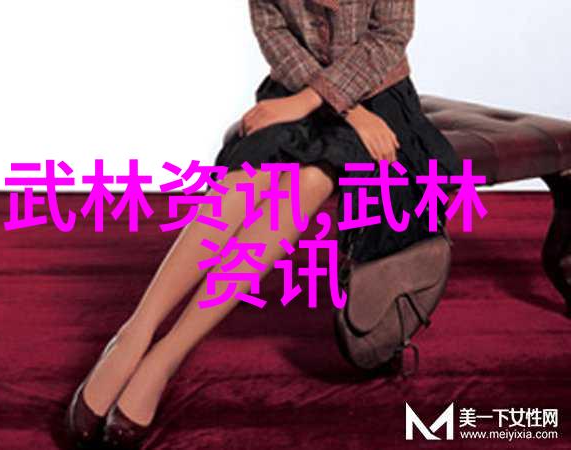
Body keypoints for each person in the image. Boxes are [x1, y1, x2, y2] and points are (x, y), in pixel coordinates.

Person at [64, 1, 461, 448]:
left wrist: (333, 106)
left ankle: (167, 357)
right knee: (246, 175)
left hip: (379, 101)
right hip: (294, 89)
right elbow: (274, 32)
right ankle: (134, 333)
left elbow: (389, 37)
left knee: (311, 180)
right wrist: (324, 104)